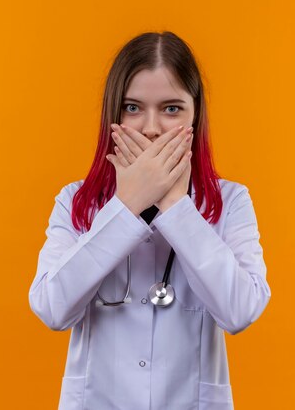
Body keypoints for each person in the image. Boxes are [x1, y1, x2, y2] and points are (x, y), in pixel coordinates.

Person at [28, 31, 272, 410]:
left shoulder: (230, 202)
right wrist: (126, 206)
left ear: (196, 116)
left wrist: (175, 204)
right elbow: (51, 308)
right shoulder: (77, 201)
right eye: (132, 107)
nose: (151, 127)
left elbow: (240, 311)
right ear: (113, 114)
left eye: (172, 109)